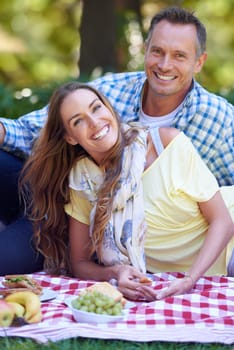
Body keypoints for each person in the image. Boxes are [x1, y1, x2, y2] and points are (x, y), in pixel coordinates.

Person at [0, 6, 233, 274]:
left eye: (179, 55)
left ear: (199, 62)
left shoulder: (214, 120)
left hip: (75, 230)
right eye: (157, 51)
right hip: (52, 193)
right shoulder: (110, 93)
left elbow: (220, 205)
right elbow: (38, 128)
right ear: (145, 49)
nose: (165, 65)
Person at [20, 82, 234, 301]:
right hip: (188, 272)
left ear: (109, 108)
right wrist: (116, 272)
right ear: (70, 137)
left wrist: (190, 280)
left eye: (96, 108)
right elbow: (80, 263)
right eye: (78, 121)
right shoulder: (84, 180)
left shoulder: (166, 144)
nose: (94, 123)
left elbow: (223, 221)